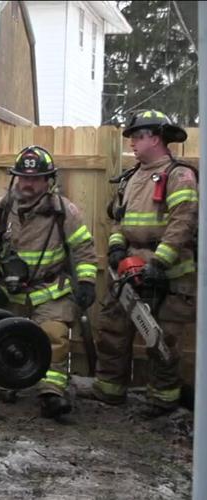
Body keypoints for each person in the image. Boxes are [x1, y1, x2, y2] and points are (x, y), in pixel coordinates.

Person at [0, 146, 98, 418]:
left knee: (54, 336)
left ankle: (51, 393)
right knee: (7, 340)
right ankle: (10, 381)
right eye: (23, 178)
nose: (27, 184)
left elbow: (84, 250)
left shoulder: (65, 212)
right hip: (12, 292)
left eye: (35, 178)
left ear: (47, 180)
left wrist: (87, 282)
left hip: (50, 291)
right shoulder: (2, 209)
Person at [94, 110, 197, 417]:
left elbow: (183, 222)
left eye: (137, 137)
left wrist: (161, 262)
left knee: (163, 339)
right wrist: (115, 250)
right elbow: (118, 222)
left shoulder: (180, 176)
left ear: (155, 137)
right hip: (129, 268)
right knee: (112, 328)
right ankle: (109, 391)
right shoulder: (131, 177)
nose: (133, 144)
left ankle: (163, 401)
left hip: (169, 274)